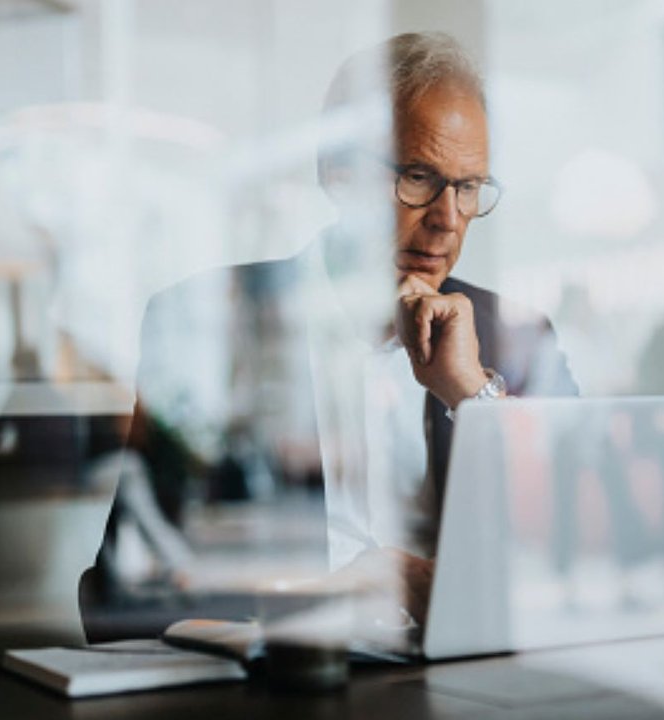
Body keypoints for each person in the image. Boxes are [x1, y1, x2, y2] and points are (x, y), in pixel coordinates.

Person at [80, 32, 577, 642]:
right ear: (337, 174)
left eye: (469, 187)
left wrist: (472, 395)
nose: (448, 219)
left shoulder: (510, 338)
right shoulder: (207, 321)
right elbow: (133, 586)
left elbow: (580, 553)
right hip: (279, 677)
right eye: (418, 177)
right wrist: (342, 595)